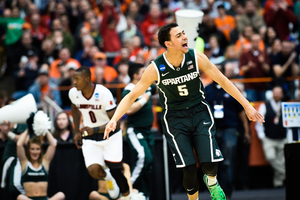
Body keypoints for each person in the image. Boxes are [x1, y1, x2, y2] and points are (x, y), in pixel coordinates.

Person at [104, 22, 264, 200]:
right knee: (188, 169)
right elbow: (132, 95)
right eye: (179, 35)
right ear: (168, 44)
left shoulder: (196, 57)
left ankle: (211, 182)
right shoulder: (156, 67)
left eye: (183, 33)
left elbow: (224, 81)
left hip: (199, 112)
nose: (185, 37)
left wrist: (247, 105)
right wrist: (115, 119)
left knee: (210, 164)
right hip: (174, 118)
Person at [68, 67, 130, 199]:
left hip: (110, 136)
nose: (74, 82)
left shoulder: (103, 93)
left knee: (116, 171)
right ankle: (109, 178)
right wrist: (76, 132)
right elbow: (74, 108)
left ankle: (127, 196)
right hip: (90, 137)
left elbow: (116, 122)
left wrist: (95, 129)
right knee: (93, 171)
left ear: (87, 79)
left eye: (77, 79)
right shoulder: (73, 93)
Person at [122, 63, 154, 198]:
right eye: (143, 71)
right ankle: (127, 187)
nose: (146, 73)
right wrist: (144, 99)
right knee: (144, 158)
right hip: (135, 130)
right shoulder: (128, 90)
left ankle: (144, 195)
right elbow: (128, 110)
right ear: (136, 75)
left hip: (148, 131)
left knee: (149, 164)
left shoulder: (148, 85)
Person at [16, 128, 65, 200]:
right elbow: (19, 144)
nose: (35, 152)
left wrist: (44, 127)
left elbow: (53, 144)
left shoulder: (45, 161)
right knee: (20, 197)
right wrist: (28, 129)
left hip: (44, 199)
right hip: (30, 199)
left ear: (41, 150)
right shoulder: (24, 162)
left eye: (37, 149)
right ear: (28, 150)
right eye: (32, 149)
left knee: (61, 195)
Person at [255, 85, 288, 188]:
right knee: (271, 157)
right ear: (272, 94)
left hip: (282, 138)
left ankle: (278, 183)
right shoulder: (265, 105)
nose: (277, 94)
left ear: (282, 94)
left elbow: (289, 123)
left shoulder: (285, 105)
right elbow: (259, 122)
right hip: (269, 138)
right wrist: (262, 136)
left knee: (282, 160)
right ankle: (286, 173)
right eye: (275, 92)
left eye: (279, 92)